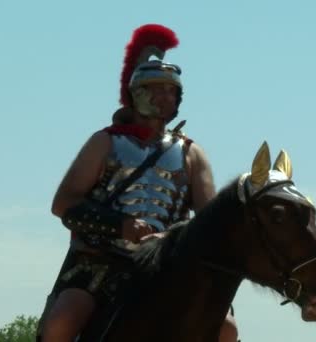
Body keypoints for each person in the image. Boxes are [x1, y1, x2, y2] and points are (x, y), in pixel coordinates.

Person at [38, 24, 239, 342]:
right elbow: (63, 204)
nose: (165, 97)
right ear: (137, 94)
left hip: (166, 269)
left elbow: (210, 224)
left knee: (226, 331)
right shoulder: (105, 143)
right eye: (157, 89)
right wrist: (121, 225)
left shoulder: (191, 153)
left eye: (171, 90)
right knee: (61, 322)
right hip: (100, 264)